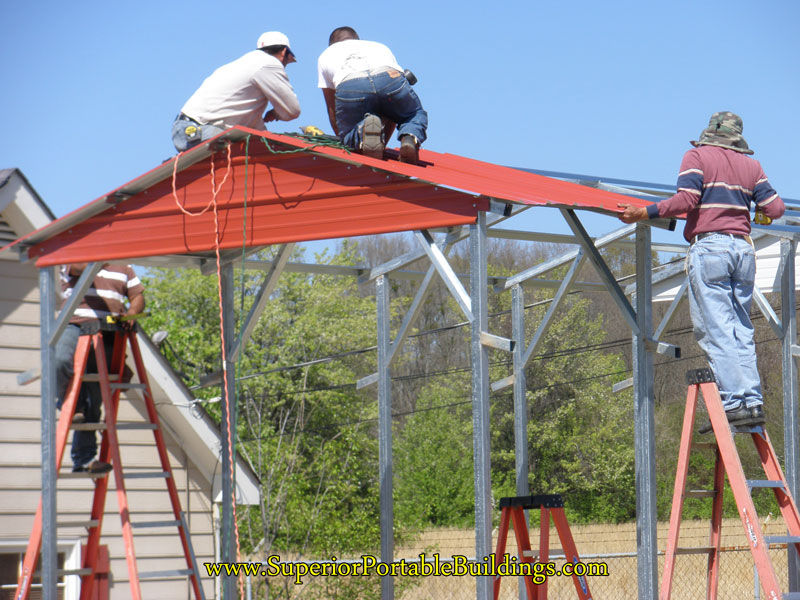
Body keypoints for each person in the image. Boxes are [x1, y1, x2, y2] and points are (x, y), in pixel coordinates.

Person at [618, 111, 785, 428]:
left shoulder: (696, 156)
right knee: (740, 330)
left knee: (717, 330)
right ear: (737, 137)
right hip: (743, 249)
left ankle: (734, 403)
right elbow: (775, 208)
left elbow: (687, 199)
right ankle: (752, 402)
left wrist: (644, 211)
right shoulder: (752, 166)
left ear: (709, 132)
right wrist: (754, 207)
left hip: (711, 247)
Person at [55, 264, 145, 473]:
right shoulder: (77, 257)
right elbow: (77, 269)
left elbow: (138, 295)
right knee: (59, 360)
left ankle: (85, 460)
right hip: (75, 323)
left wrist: (132, 313)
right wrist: (99, 257)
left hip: (107, 329)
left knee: (94, 400)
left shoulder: (125, 268)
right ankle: (70, 405)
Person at [172, 31, 301, 152]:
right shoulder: (269, 64)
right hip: (202, 130)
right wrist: (277, 113)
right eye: (286, 62)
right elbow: (292, 110)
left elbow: (255, 130)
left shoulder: (245, 64)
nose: (284, 67)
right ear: (283, 52)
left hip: (186, 130)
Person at [317, 26, 428, 164]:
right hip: (389, 78)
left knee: (350, 134)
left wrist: (346, 138)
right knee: (413, 114)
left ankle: (361, 131)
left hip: (351, 86)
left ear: (332, 44)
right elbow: (394, 113)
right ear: (358, 39)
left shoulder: (326, 55)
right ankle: (409, 138)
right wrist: (383, 145)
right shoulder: (379, 47)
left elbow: (332, 107)